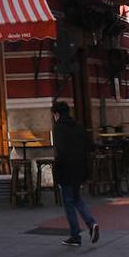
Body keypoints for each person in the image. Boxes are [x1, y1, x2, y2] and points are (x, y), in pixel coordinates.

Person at [50, 101, 99, 247]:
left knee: (69, 203)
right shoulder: (78, 125)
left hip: (66, 170)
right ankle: (91, 224)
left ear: (56, 114)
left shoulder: (59, 128)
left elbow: (61, 151)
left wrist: (56, 168)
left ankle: (76, 235)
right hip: (80, 169)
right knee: (77, 199)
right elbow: (90, 146)